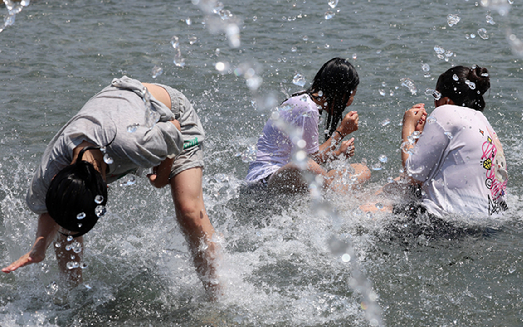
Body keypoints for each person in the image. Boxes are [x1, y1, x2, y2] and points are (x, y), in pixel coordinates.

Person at [2, 76, 222, 298]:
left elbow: (173, 129)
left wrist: (162, 177)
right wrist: (39, 247)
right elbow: (52, 211)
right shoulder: (50, 168)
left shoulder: (133, 145)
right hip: (121, 116)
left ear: (105, 190)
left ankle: (217, 293)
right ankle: (73, 295)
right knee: (69, 216)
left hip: (169, 113)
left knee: (188, 211)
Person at [365, 65, 508, 218]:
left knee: (367, 209)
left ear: (446, 100)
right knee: (397, 184)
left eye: (435, 95)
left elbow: (412, 174)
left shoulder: (444, 110)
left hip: (446, 223)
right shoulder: (483, 121)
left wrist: (408, 125)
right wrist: (420, 136)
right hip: (490, 221)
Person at [245, 57, 370, 193]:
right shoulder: (307, 107)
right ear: (341, 91)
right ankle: (336, 194)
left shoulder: (306, 101)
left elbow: (309, 157)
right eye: (353, 94)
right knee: (307, 164)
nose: (351, 101)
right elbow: (309, 161)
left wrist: (338, 153)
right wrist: (341, 132)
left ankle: (337, 190)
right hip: (263, 182)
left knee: (361, 169)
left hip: (286, 176)